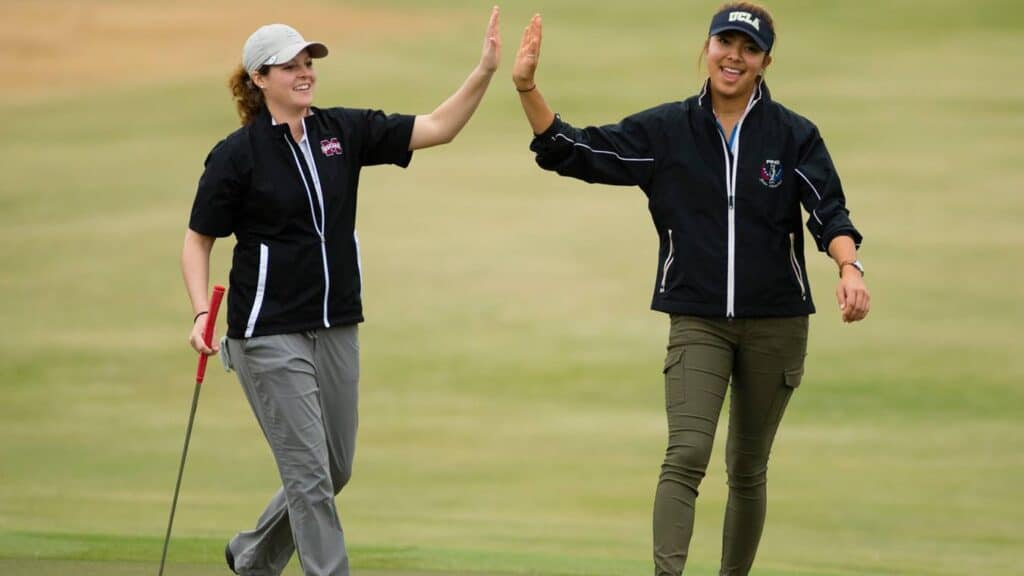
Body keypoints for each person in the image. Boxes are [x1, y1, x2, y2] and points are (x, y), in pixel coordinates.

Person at [512, 3, 870, 575]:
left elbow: (829, 211)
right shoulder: (666, 130)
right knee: (686, 454)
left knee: (748, 468)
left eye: (748, 49)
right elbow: (571, 151)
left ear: (765, 62)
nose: (735, 57)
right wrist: (528, 87)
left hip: (777, 323)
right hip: (697, 318)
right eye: (725, 43)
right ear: (706, 48)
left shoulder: (793, 135)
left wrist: (849, 268)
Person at [181, 9, 501, 575]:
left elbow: (437, 128)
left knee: (334, 468)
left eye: (308, 63)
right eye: (289, 66)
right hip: (266, 332)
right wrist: (203, 309)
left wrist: (484, 71)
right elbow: (198, 240)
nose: (305, 72)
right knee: (308, 477)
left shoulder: (340, 132)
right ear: (259, 79)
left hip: (334, 325)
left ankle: (253, 556)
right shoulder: (237, 154)